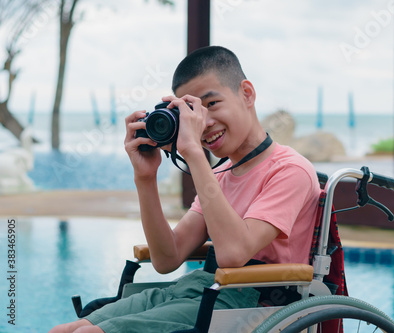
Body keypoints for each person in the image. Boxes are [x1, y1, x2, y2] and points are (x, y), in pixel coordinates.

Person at [50, 46, 320, 333]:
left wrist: (193, 153)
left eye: (212, 104)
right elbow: (167, 259)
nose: (204, 124)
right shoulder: (217, 175)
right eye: (193, 113)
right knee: (63, 331)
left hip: (254, 302)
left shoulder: (290, 170)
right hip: (201, 288)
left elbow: (233, 254)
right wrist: (145, 177)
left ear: (247, 94)